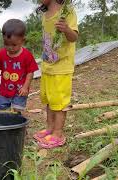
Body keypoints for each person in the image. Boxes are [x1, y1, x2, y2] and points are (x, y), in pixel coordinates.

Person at [33, 0, 78, 149]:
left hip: (61, 67)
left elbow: (74, 37)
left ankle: (58, 134)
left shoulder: (67, 11)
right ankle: (50, 129)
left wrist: (66, 29)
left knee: (59, 102)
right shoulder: (45, 13)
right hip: (48, 66)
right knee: (49, 100)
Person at [0, 19, 39, 112]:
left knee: (17, 110)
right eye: (6, 44)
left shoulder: (27, 55)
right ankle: (4, 123)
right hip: (4, 91)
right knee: (1, 109)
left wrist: (25, 87)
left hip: (20, 91)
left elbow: (30, 72)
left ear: (22, 41)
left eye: (14, 45)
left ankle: (16, 123)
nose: (10, 48)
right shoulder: (2, 53)